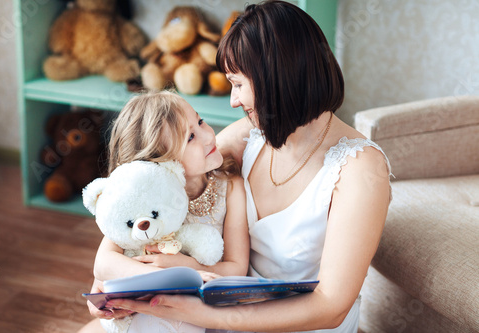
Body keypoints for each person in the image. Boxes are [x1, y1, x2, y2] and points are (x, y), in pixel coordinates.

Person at [87, 1, 392, 332]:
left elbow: (330, 306)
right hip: (218, 307)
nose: (233, 101)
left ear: (276, 79)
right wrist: (114, 283)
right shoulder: (250, 137)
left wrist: (196, 314)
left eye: (237, 83)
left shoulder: (360, 170)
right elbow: (152, 182)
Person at [78, 90, 249, 333]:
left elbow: (237, 267)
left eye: (200, 122)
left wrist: (184, 267)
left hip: (199, 314)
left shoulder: (230, 188)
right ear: (159, 162)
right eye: (190, 137)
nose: (209, 136)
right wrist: (150, 276)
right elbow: (103, 264)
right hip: (143, 312)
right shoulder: (144, 197)